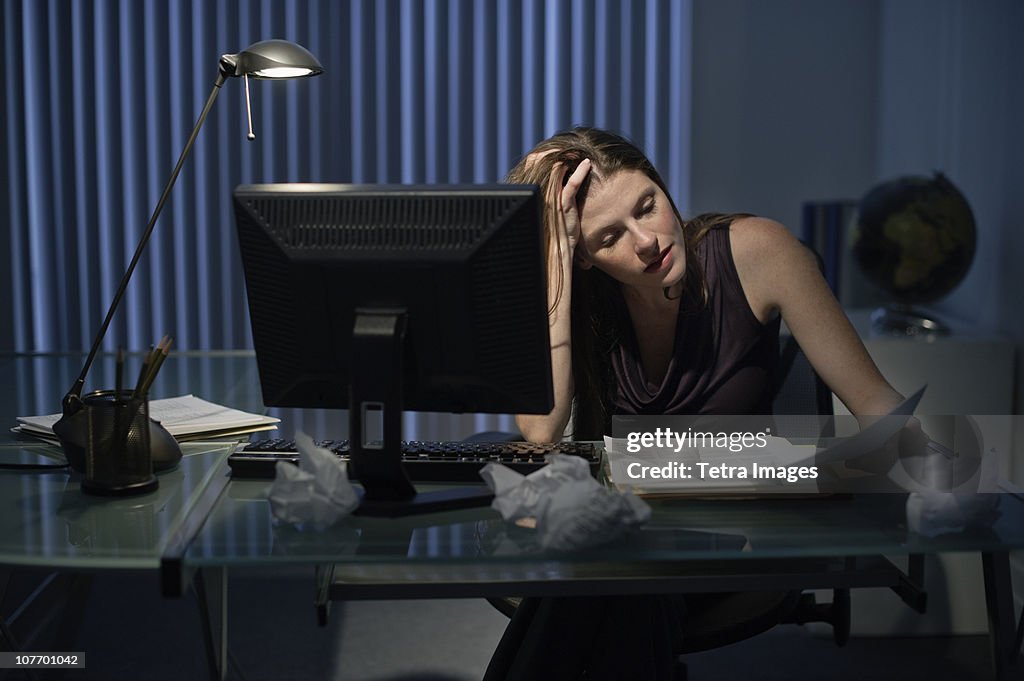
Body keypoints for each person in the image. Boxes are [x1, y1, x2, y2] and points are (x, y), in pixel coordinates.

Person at [483, 127, 911, 680]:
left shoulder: (759, 250)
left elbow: (874, 399)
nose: (647, 241)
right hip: (632, 537)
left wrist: (957, 465)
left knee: (601, 581)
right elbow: (541, 431)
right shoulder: (584, 295)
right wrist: (557, 260)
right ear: (583, 255)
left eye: (648, 206)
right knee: (621, 578)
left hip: (740, 531)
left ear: (663, 186)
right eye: (608, 237)